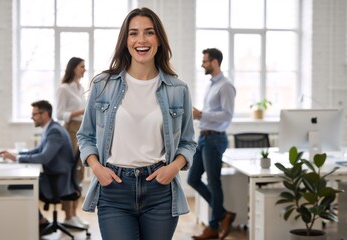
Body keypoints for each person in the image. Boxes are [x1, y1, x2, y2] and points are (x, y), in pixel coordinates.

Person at [76, 7, 196, 240]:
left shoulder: (178, 89)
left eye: (149, 32)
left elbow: (188, 142)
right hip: (114, 189)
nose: (141, 40)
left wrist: (173, 168)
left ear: (159, 40)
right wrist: (97, 169)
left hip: (160, 190)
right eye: (133, 33)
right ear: (125, 40)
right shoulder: (103, 85)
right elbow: (85, 136)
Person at [0, 100, 76, 236]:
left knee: (17, 186)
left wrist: (17, 158)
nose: (31, 117)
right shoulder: (51, 128)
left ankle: (39, 221)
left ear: (44, 114)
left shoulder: (54, 131)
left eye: (34, 114)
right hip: (54, 176)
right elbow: (39, 150)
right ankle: (39, 220)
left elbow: (44, 157)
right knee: (20, 184)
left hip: (57, 181)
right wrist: (16, 155)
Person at [187, 48, 237, 240]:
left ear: (215, 62)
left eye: (205, 61)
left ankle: (214, 226)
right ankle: (224, 214)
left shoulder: (225, 86)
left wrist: (201, 114)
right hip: (204, 137)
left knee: (214, 183)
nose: (202, 64)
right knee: (192, 179)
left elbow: (227, 115)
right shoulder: (212, 85)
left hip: (215, 139)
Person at [56, 57, 89, 228]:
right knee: (70, 174)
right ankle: (67, 215)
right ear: (74, 68)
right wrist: (82, 110)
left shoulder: (81, 88)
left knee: (79, 173)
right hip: (70, 131)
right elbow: (60, 114)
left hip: (82, 131)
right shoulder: (64, 89)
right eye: (82, 66)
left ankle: (74, 214)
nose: (84, 69)